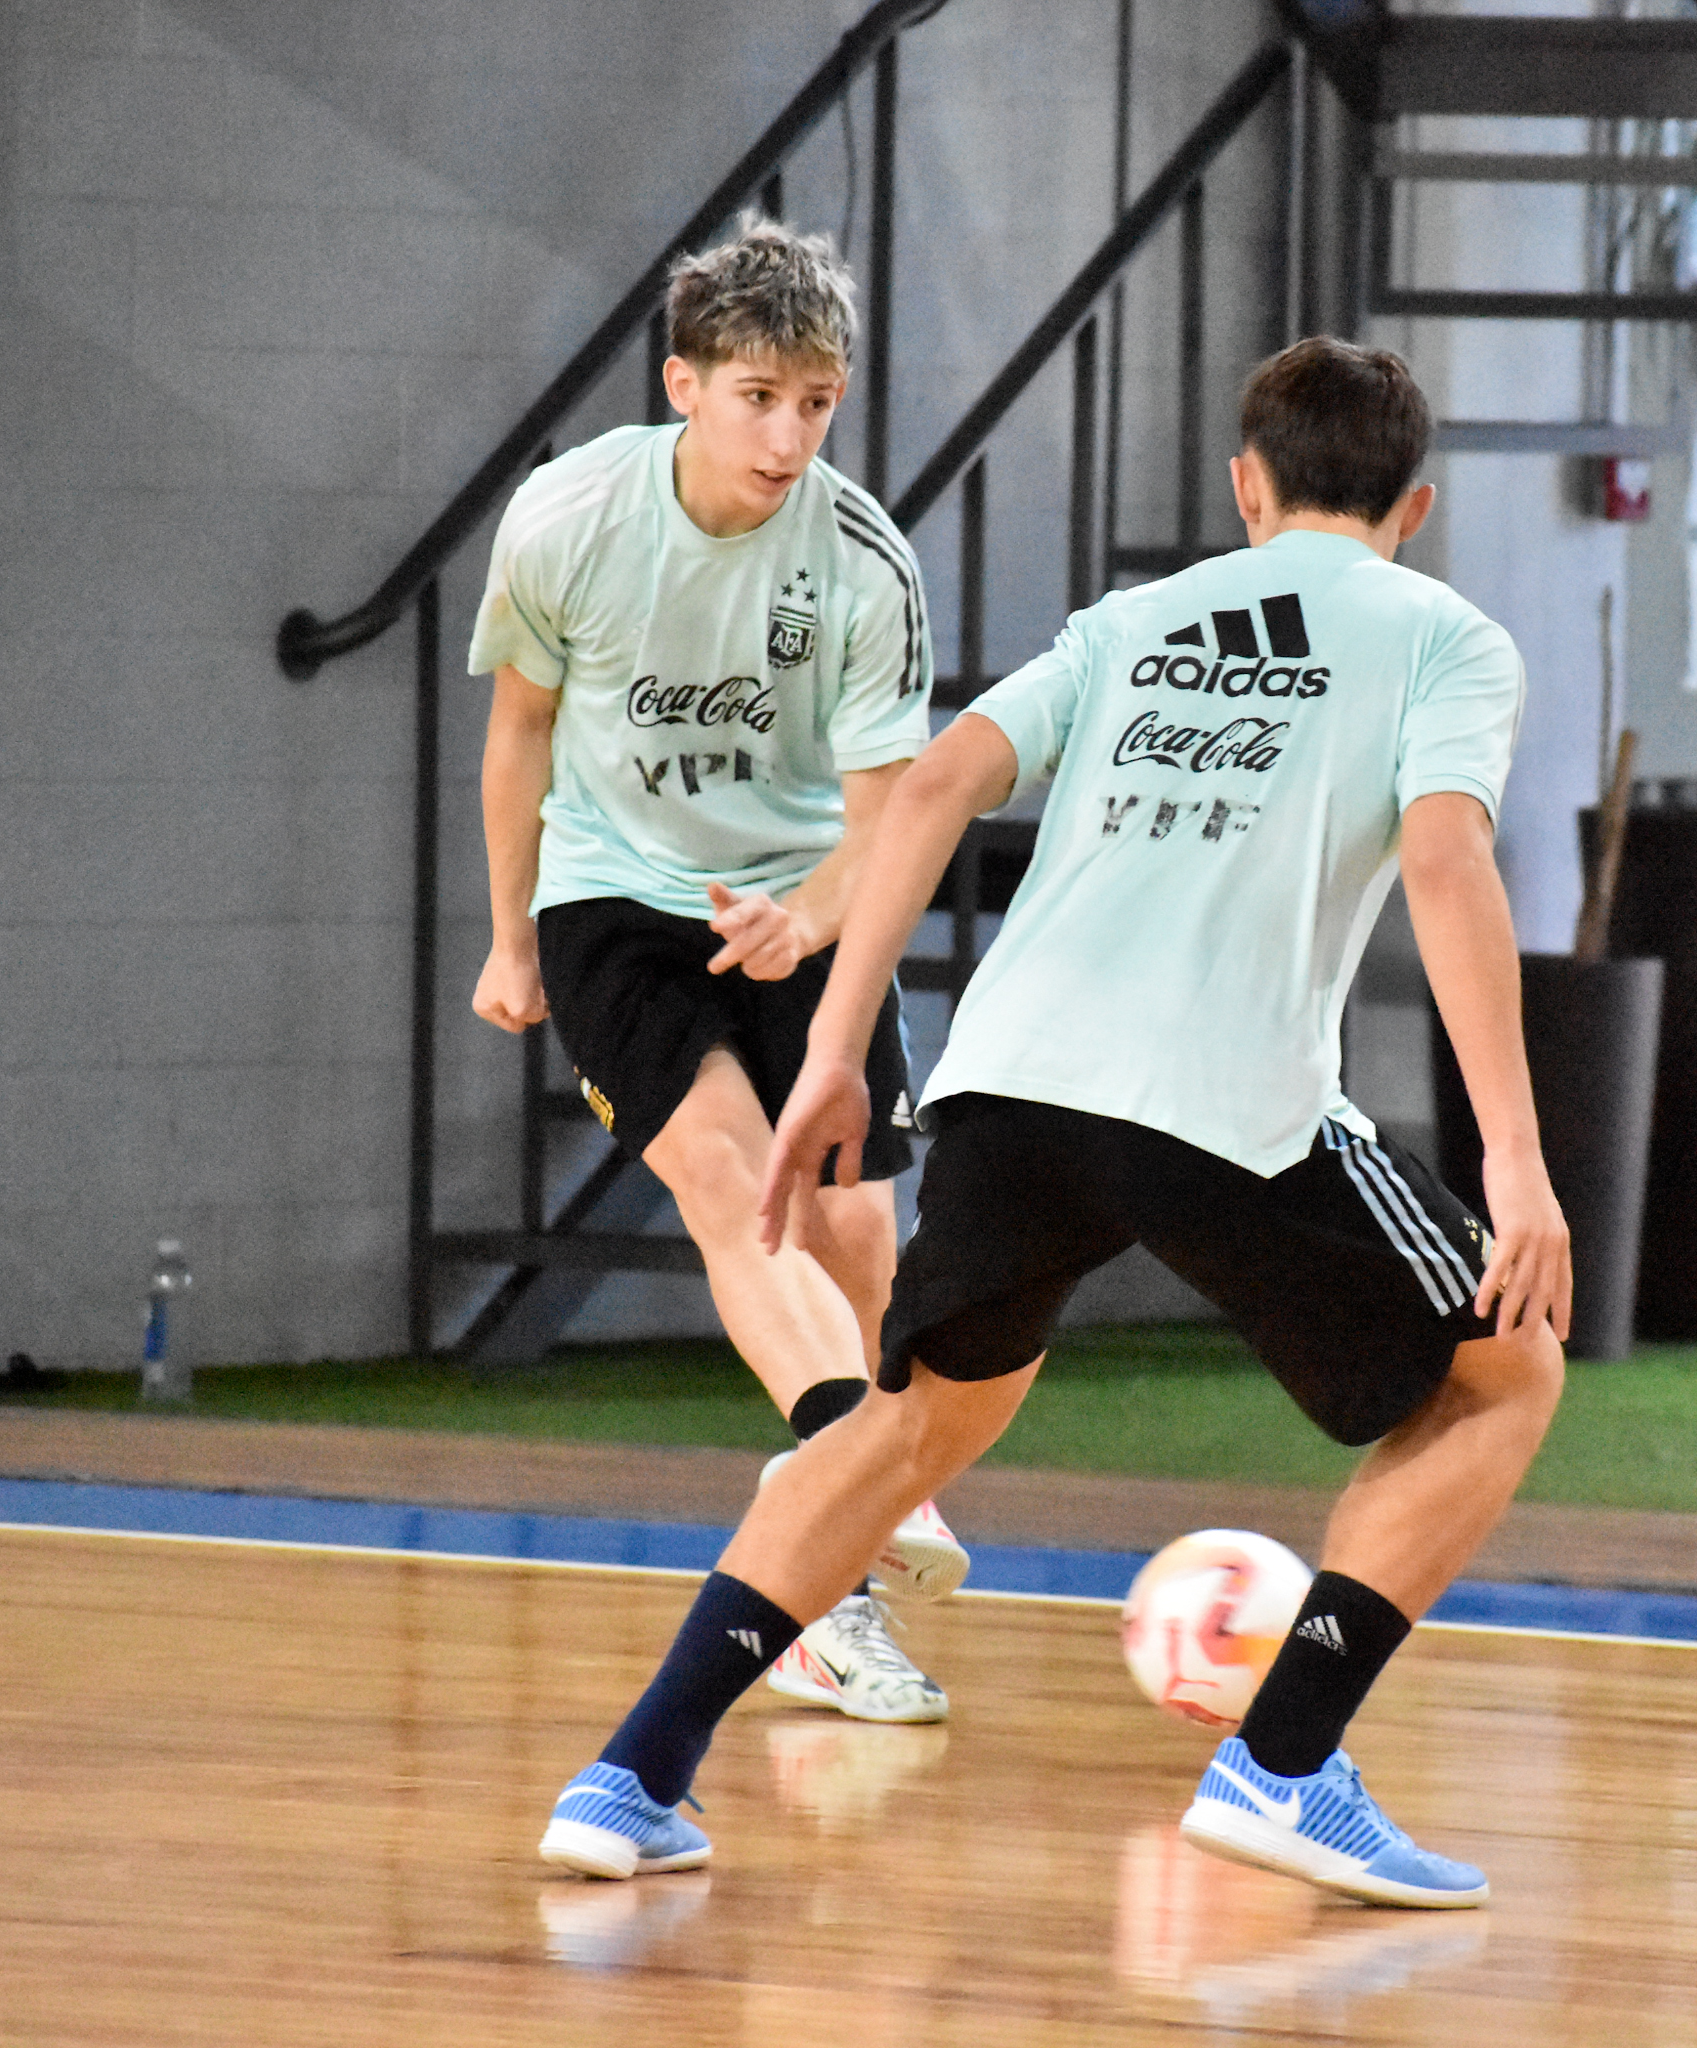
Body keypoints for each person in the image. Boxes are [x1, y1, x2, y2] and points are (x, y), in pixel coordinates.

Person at [538, 336, 1569, 1909]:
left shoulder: (1137, 619)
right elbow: (1446, 866)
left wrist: (833, 1043)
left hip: (1011, 1083)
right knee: (1506, 1374)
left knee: (917, 1423)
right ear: (1414, 507)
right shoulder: (1449, 639)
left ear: (1245, 488)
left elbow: (941, 777)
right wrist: (1514, 1155)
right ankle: (1283, 1765)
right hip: (1219, 1097)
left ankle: (630, 1779)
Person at [470, 218, 966, 1726]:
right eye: (759, 396)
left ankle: (831, 1601)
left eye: (816, 402)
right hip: (618, 894)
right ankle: (852, 1460)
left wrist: (809, 924)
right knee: (733, 1185)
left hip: (806, 894)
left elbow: (883, 815)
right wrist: (508, 938)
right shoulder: (570, 518)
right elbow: (519, 736)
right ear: (684, 384)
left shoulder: (866, 557)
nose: (789, 433)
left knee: (862, 1234)